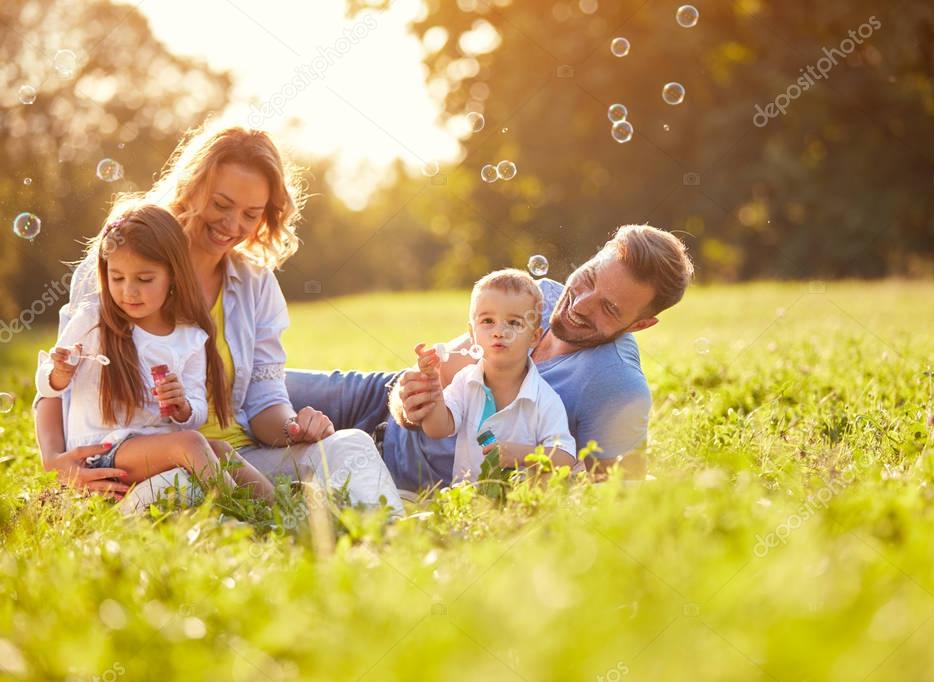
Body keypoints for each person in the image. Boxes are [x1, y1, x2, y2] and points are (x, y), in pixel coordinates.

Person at [34, 125, 403, 514]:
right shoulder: (121, 266)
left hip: (237, 462)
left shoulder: (254, 284)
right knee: (181, 490)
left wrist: (294, 428)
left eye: (250, 214)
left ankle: (381, 537)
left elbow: (264, 399)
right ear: (191, 187)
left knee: (351, 446)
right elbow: (56, 384)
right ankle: (270, 520)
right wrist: (55, 461)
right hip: (141, 465)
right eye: (221, 204)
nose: (232, 225)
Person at [286, 224, 694, 491]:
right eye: (588, 278)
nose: (580, 305)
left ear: (640, 325)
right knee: (255, 385)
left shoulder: (616, 384)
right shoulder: (544, 294)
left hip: (398, 471)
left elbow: (612, 496)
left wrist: (528, 460)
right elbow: (443, 367)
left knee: (269, 447)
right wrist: (409, 400)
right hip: (378, 397)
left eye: (609, 309)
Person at [35, 205, 273, 499]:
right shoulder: (93, 319)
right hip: (101, 452)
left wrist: (183, 406)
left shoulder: (190, 337)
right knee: (190, 445)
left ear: (173, 276)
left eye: (144, 279)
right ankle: (240, 509)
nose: (128, 292)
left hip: (151, 449)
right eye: (117, 278)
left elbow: (197, 410)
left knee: (221, 449)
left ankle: (277, 505)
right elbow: (46, 387)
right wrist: (58, 374)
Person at [414, 269, 575, 482]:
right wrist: (433, 387)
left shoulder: (543, 398)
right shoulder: (464, 382)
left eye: (514, 323)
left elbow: (565, 457)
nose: (499, 331)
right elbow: (436, 429)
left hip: (520, 505)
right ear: (472, 334)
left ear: (534, 338)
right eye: (488, 321)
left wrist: (522, 455)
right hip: (468, 501)